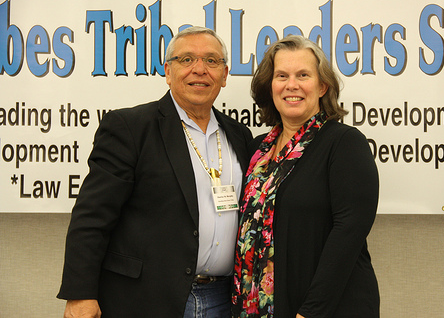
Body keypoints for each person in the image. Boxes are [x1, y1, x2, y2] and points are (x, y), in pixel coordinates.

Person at [57, 26, 253, 318]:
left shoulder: (240, 135)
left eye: (211, 61)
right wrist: (80, 294)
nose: (199, 69)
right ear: (168, 71)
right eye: (186, 59)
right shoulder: (131, 128)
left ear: (224, 75)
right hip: (147, 298)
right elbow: (92, 216)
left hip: (224, 299)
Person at [232, 35, 380, 318]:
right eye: (282, 76)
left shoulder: (345, 143)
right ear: (270, 85)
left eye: (303, 75)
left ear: (322, 85)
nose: (292, 85)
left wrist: (310, 313)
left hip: (325, 309)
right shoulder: (257, 150)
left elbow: (348, 234)